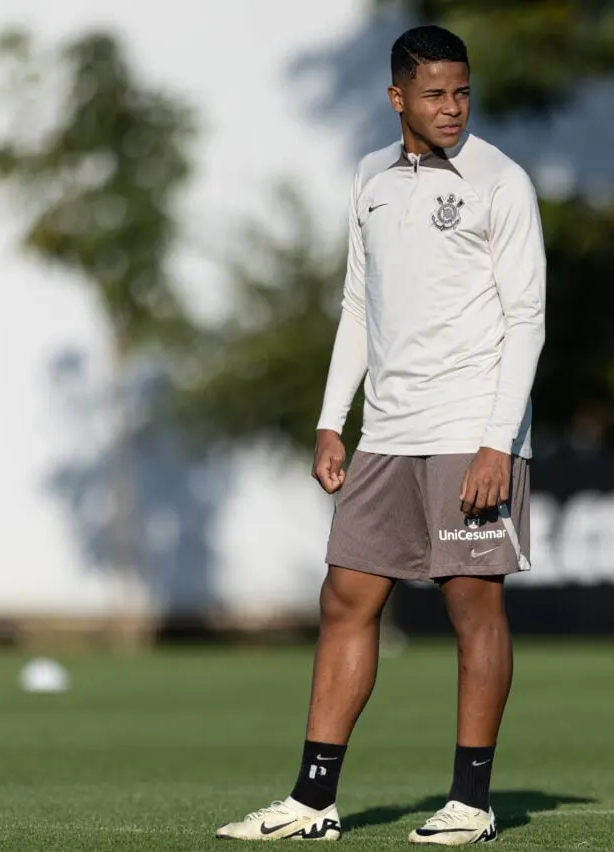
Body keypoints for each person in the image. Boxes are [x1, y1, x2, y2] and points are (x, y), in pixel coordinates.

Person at [216, 23, 546, 846]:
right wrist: (334, 419)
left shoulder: (502, 182)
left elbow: (529, 320)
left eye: (462, 92)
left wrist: (496, 442)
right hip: (386, 433)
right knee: (345, 600)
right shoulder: (368, 177)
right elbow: (358, 310)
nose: (452, 108)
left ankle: (472, 801)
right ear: (396, 96)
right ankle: (312, 801)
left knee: (473, 609)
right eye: (434, 94)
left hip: (470, 428)